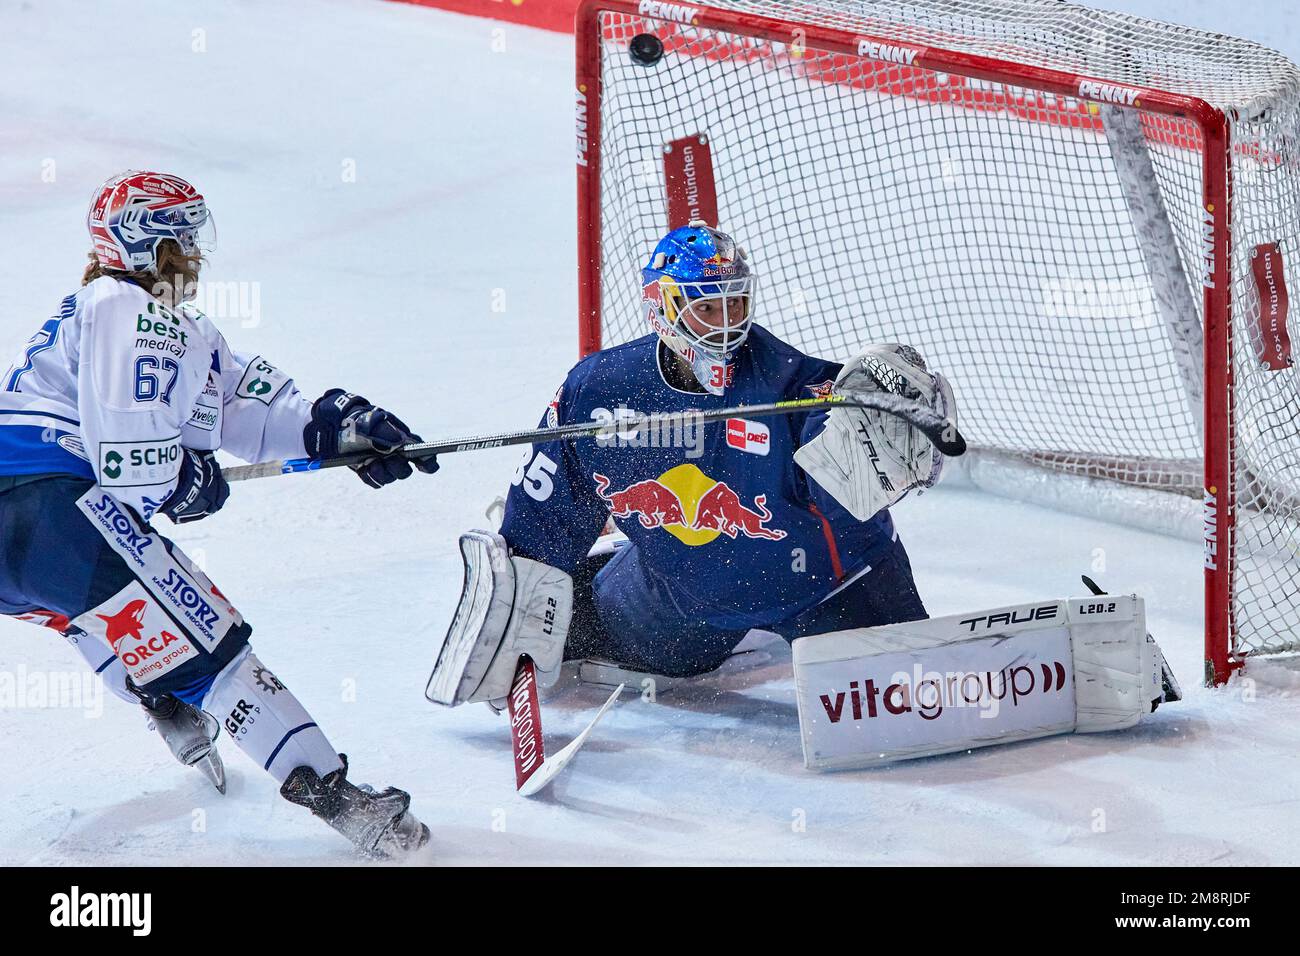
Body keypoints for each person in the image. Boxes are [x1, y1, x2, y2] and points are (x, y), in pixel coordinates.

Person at [0, 171, 435, 858]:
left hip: (25, 536)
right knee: (218, 650)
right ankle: (343, 801)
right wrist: (181, 479)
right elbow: (131, 454)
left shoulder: (172, 328)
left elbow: (243, 410)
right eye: (182, 237)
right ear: (145, 245)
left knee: (87, 610)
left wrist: (341, 428)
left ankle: (162, 697)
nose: (196, 253)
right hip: (48, 506)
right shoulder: (123, 305)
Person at [428, 220, 957, 710]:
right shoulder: (599, 390)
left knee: (911, 699)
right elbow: (548, 508)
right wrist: (522, 589)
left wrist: (878, 434)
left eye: (735, 304)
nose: (726, 324)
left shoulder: (794, 387)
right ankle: (613, 576)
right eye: (707, 308)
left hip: (828, 589)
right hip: (684, 595)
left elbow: (847, 489)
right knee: (580, 619)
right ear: (662, 306)